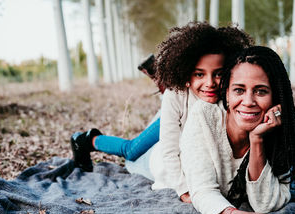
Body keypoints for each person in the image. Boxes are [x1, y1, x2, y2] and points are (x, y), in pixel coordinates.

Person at [71, 22, 253, 202]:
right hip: (173, 132)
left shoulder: (232, 95)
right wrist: (183, 189)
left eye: (219, 74)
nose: (210, 82)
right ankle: (87, 140)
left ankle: (161, 82)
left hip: (186, 130)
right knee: (131, 152)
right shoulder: (179, 95)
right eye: (199, 74)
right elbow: (170, 150)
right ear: (187, 72)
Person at [179, 46, 295, 214]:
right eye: (239, 90)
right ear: (226, 93)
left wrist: (257, 140)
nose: (248, 101)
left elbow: (265, 204)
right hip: (163, 164)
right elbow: (202, 191)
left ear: (275, 97)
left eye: (260, 91)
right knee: (133, 153)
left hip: (192, 143)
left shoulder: (278, 131)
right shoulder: (203, 116)